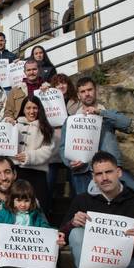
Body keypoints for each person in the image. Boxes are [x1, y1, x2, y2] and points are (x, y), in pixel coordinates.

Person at [59, 76, 134, 197]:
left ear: (95, 91)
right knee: (84, 203)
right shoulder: (71, 121)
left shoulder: (107, 114)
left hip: (109, 168)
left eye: (89, 90)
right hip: (84, 170)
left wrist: (100, 113)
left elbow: (126, 124)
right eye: (83, 91)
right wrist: (70, 161)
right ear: (78, 95)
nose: (87, 94)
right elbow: (63, 147)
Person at [4, 95, 55, 214]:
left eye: (35, 108)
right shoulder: (14, 125)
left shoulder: (46, 128)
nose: (31, 111)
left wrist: (29, 156)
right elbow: (2, 142)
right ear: (23, 109)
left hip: (37, 174)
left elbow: (47, 150)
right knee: (16, 206)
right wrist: (6, 123)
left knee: (39, 206)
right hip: (17, 172)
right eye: (28, 108)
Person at [46, 74, 80, 207]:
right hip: (54, 145)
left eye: (63, 83)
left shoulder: (76, 101)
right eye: (57, 84)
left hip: (72, 146)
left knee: (75, 184)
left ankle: (75, 212)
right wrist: (45, 92)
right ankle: (46, 213)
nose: (61, 86)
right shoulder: (48, 100)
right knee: (48, 183)